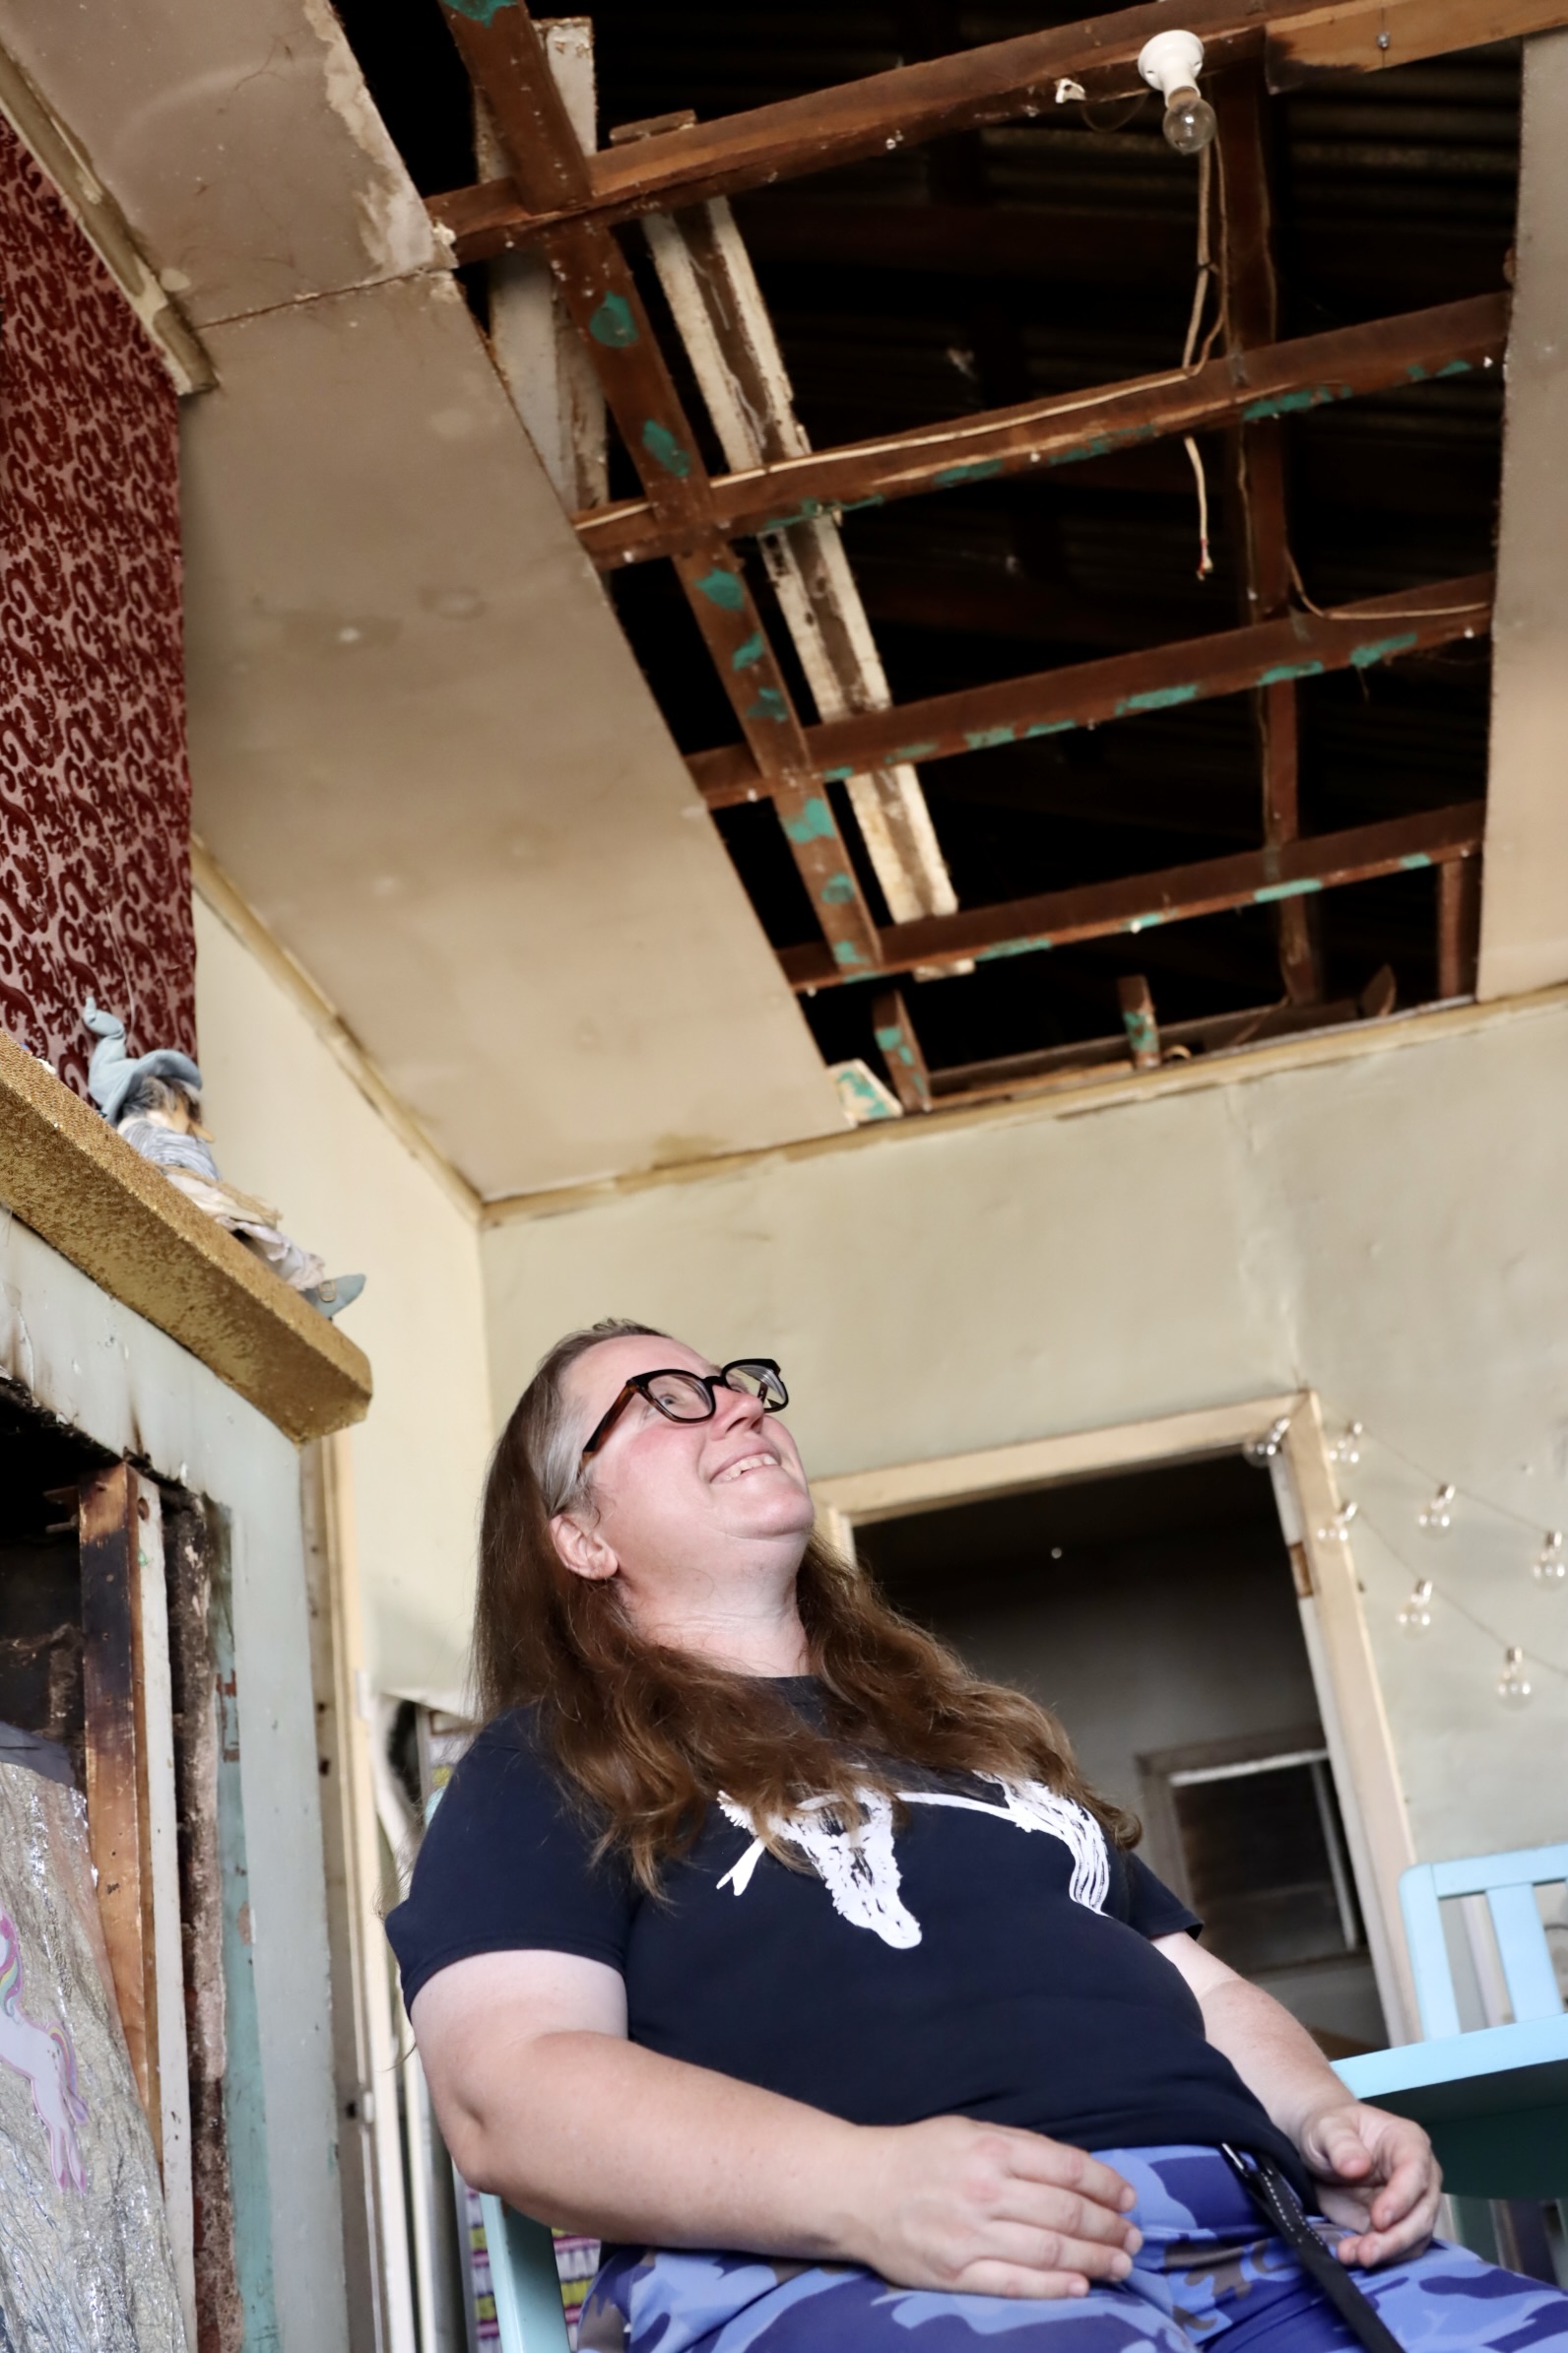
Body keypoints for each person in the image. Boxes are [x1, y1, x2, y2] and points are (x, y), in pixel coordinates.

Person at [389, 1321, 1567, 2353]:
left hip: (1265, 2241)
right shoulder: (548, 1762)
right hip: (865, 2264)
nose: (739, 1401)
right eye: (663, 1399)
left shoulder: (974, 1748)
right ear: (580, 1537)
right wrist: (862, 2187)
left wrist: (1320, 2115)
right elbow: (508, 2092)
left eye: (737, 1381)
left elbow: (1195, 1987)